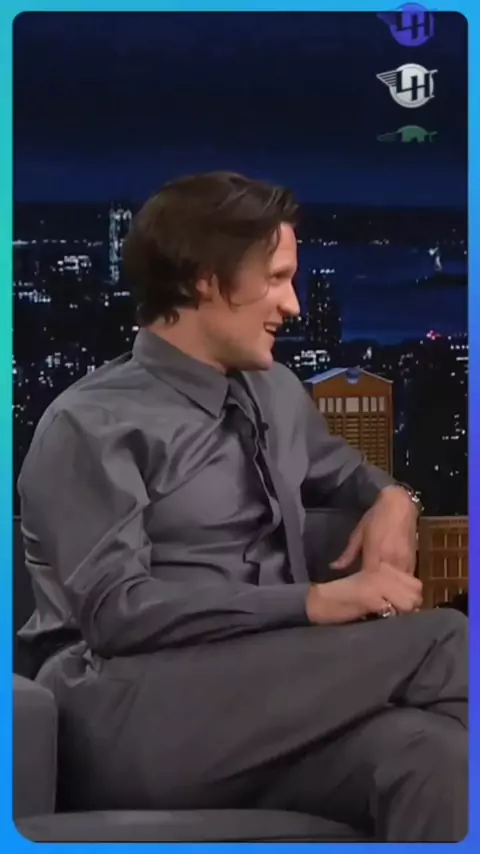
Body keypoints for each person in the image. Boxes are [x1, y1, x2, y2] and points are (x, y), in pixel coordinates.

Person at [18, 172, 467, 841]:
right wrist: (313, 603)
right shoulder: (92, 424)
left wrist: (396, 499)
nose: (293, 304)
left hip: (271, 708)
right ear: (206, 280)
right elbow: (117, 613)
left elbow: (350, 475)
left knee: (433, 756)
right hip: (129, 712)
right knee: (448, 641)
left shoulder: (276, 392)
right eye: (277, 278)